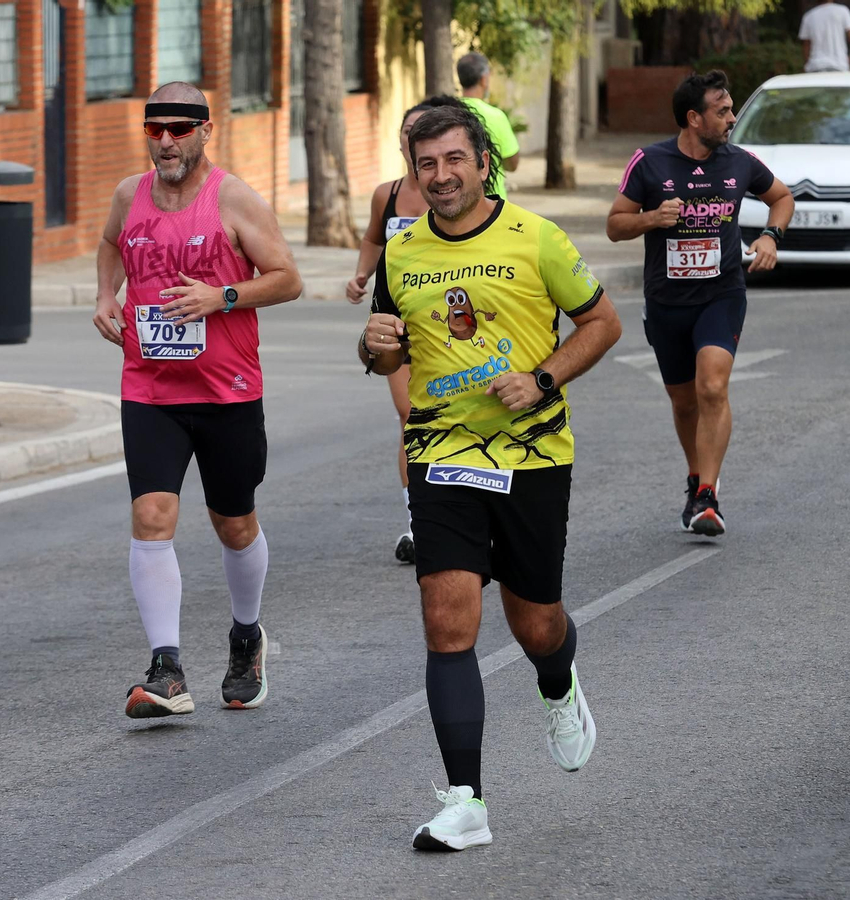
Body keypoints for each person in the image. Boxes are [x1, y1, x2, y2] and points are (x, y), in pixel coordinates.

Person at [358, 106, 622, 851]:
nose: (440, 176)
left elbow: (603, 324)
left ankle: (558, 682)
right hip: (440, 453)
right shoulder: (401, 251)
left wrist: (541, 378)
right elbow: (386, 352)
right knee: (448, 622)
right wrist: (374, 347)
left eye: (453, 160)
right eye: (425, 164)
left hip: (532, 457)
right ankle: (467, 801)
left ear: (483, 162)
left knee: (535, 622)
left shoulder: (536, 238)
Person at [92, 82, 303, 718]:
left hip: (227, 390)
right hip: (150, 386)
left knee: (233, 521)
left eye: (179, 130)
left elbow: (288, 278)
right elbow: (109, 245)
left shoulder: (233, 199)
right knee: (152, 515)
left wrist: (223, 297)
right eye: (155, 130)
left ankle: (246, 637)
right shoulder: (130, 195)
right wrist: (107, 296)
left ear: (205, 131)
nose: (165, 142)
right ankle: (167, 669)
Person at [607, 71, 795, 536]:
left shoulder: (739, 161)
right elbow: (614, 224)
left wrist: (771, 236)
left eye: (731, 109)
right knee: (684, 400)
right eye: (722, 110)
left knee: (712, 386)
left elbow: (782, 197)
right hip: (667, 299)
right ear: (694, 118)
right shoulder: (649, 162)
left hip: (722, 293)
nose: (731, 118)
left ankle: (708, 495)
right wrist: (651, 217)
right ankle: (695, 478)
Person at [346, 94, 473, 565]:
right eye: (409, 136)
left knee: (458, 411)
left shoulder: (463, 186)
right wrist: (361, 275)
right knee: (410, 414)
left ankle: (470, 505)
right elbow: (373, 239)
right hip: (401, 319)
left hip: (455, 320)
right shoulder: (390, 193)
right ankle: (419, 520)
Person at [456, 52, 520, 196]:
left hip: (456, 201)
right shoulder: (496, 116)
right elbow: (513, 163)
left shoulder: (448, 111)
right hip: (493, 202)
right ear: (484, 80)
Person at [800, 0, 850, 73]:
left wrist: (806, 64)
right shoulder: (842, 10)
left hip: (816, 65)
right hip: (839, 63)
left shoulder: (808, 16)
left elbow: (806, 45)